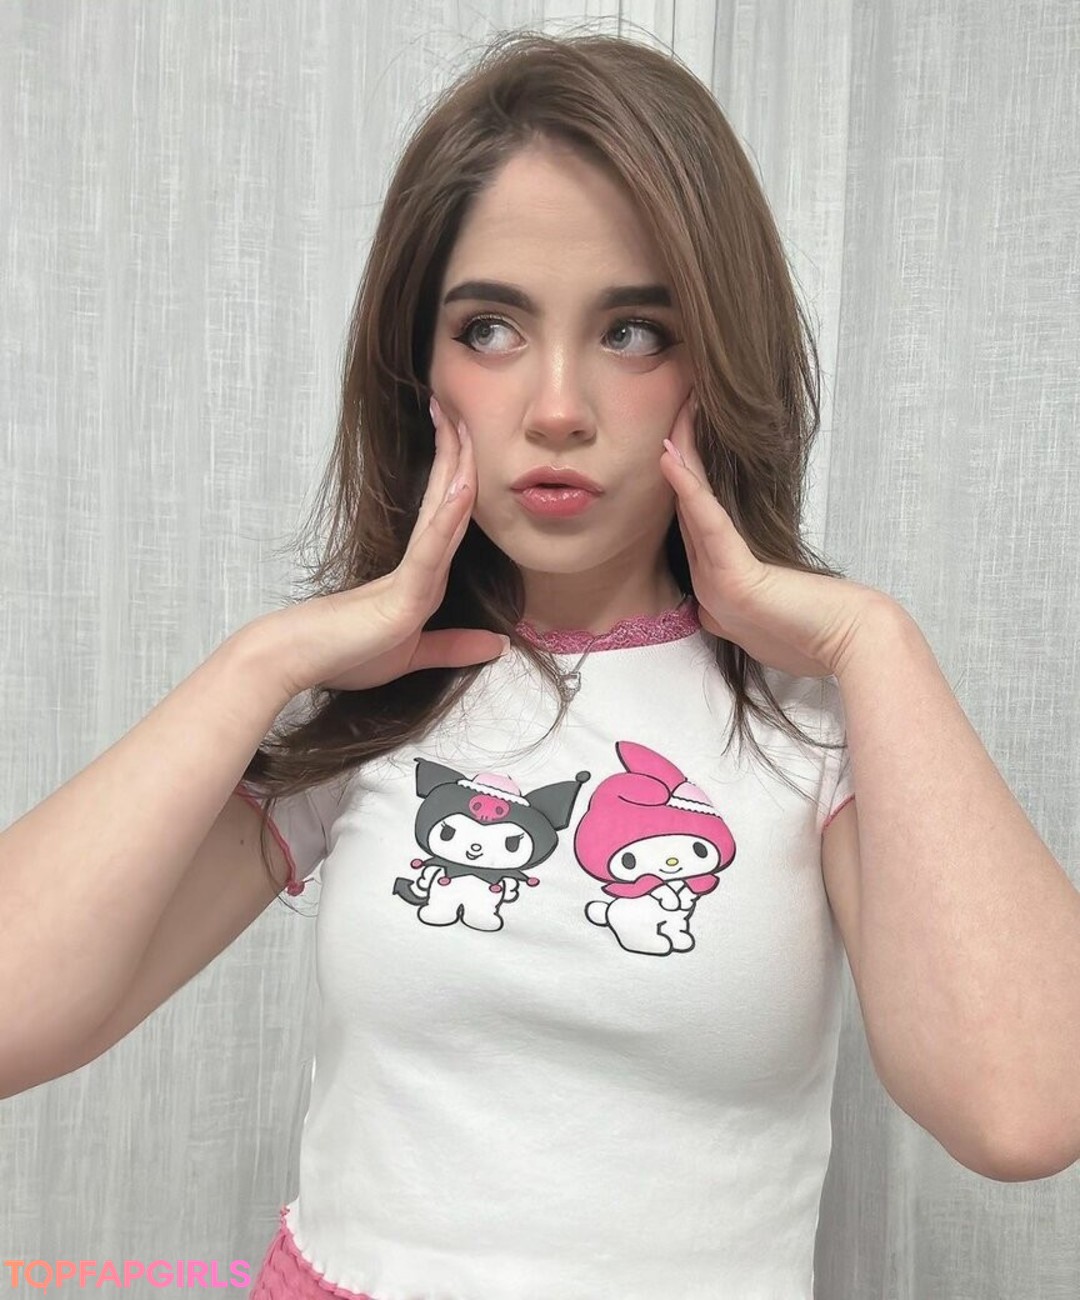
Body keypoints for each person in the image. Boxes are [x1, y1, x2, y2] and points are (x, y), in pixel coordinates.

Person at [7, 25, 1074, 1300]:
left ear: (719, 359)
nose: (558, 406)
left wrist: (874, 640)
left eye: (634, 332)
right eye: (491, 327)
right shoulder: (381, 695)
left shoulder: (818, 712)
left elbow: (1023, 1112)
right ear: (418, 369)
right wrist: (264, 659)